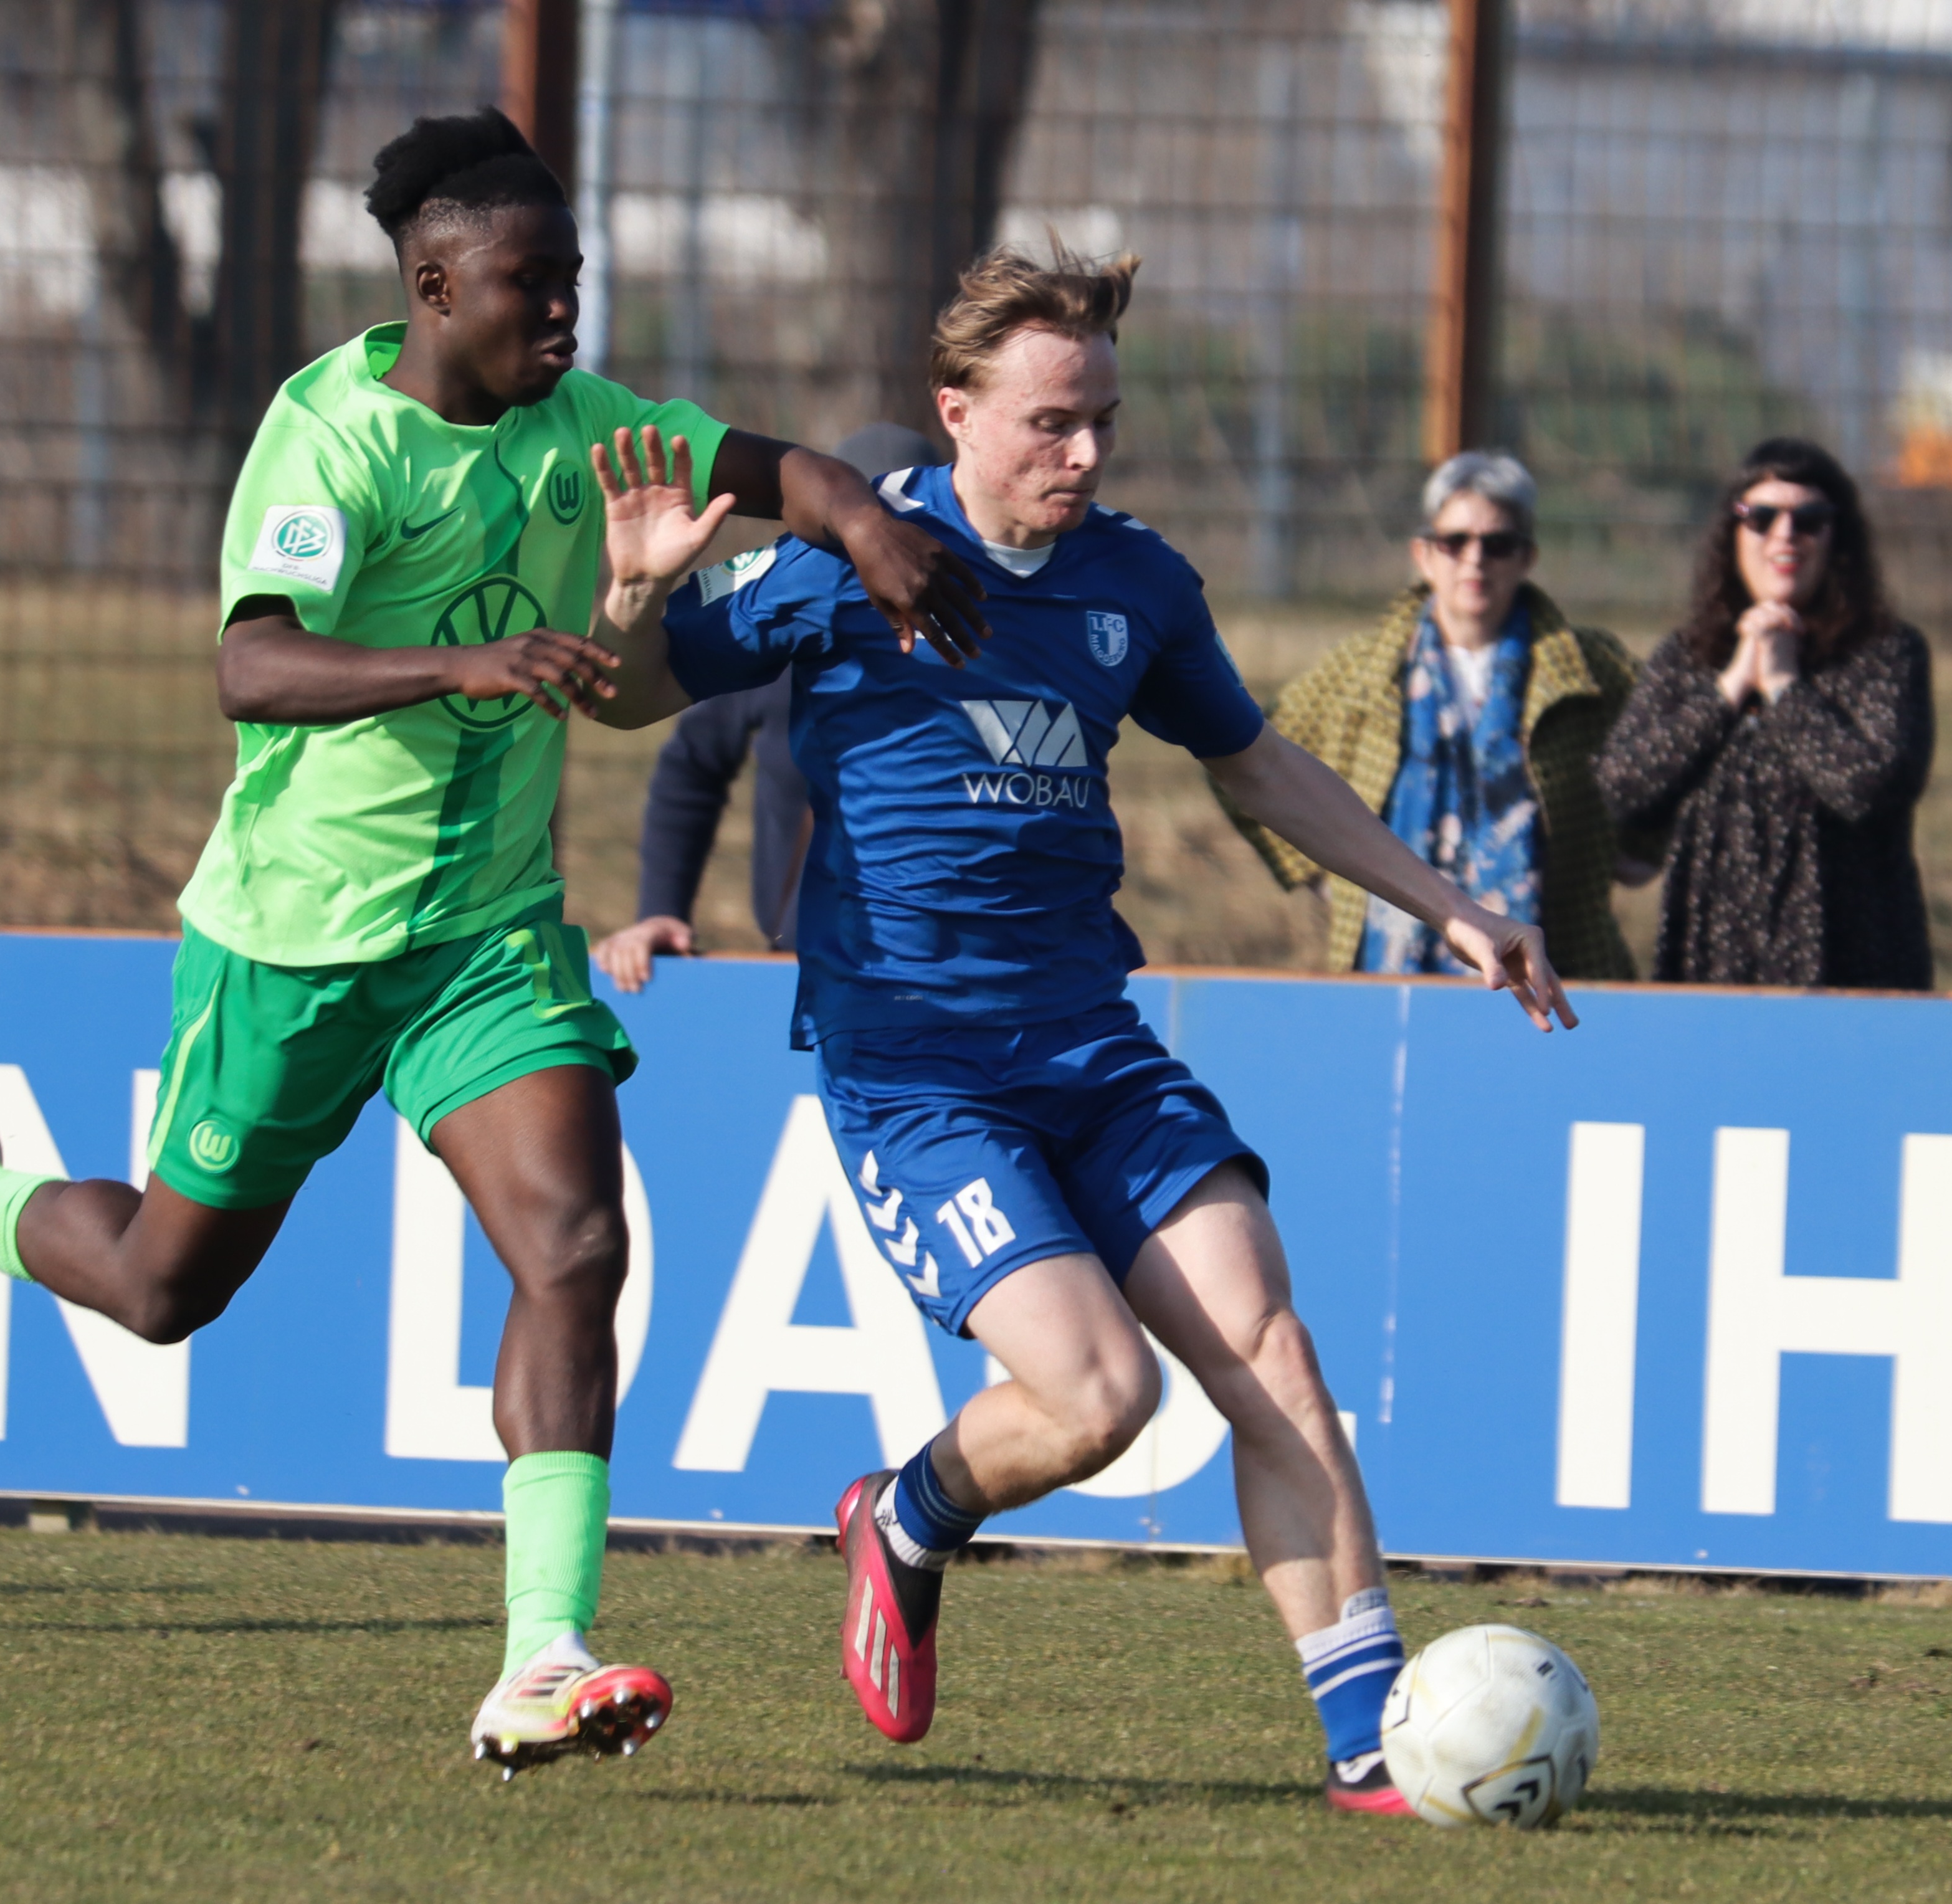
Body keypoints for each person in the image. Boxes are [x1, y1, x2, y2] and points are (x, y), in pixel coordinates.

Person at [0, 106, 986, 1778]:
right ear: (435, 286)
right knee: (168, 1290)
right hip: (293, 941)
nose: (563, 316)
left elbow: (778, 467)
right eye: (531, 288)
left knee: (576, 1244)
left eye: (575, 283)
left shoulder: (589, 427)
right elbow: (252, 668)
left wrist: (868, 530)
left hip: (481, 941)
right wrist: (460, 666)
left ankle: (545, 1652)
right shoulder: (331, 437)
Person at [583, 246, 1574, 1814]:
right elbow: (627, 700)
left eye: (1102, 418)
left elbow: (1253, 764)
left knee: (1269, 1349)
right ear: (955, 411)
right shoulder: (848, 557)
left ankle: (1367, 1735)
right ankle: (905, 1515)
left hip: (1090, 1047)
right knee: (1097, 1398)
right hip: (914, 1073)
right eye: (1052, 422)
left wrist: (1445, 901)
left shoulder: (1134, 582)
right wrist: (635, 591)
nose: (1085, 453)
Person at [1224, 452, 1648, 979]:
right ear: (1423, 554)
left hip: (1553, 964)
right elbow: (1239, 756)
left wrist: (1640, 851)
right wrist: (1322, 872)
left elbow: (1665, 754)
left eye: (1497, 545)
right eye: (1455, 542)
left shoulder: (1589, 670)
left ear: (1526, 557)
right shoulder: (1362, 672)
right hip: (1389, 967)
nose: (1475, 561)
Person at [593, 422, 941, 991]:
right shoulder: (781, 637)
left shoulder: (979, 639)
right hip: (801, 963)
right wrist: (661, 909)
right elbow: (690, 764)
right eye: (860, 532)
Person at [1594, 437, 1933, 988]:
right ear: (1732, 533)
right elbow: (1622, 791)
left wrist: (1782, 686)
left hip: (1854, 975)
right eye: (1762, 517)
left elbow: (1868, 789)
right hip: (1712, 972)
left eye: (1810, 519)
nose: (1785, 535)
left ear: (1836, 537)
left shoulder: (1886, 655)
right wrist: (1729, 690)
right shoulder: (1689, 658)